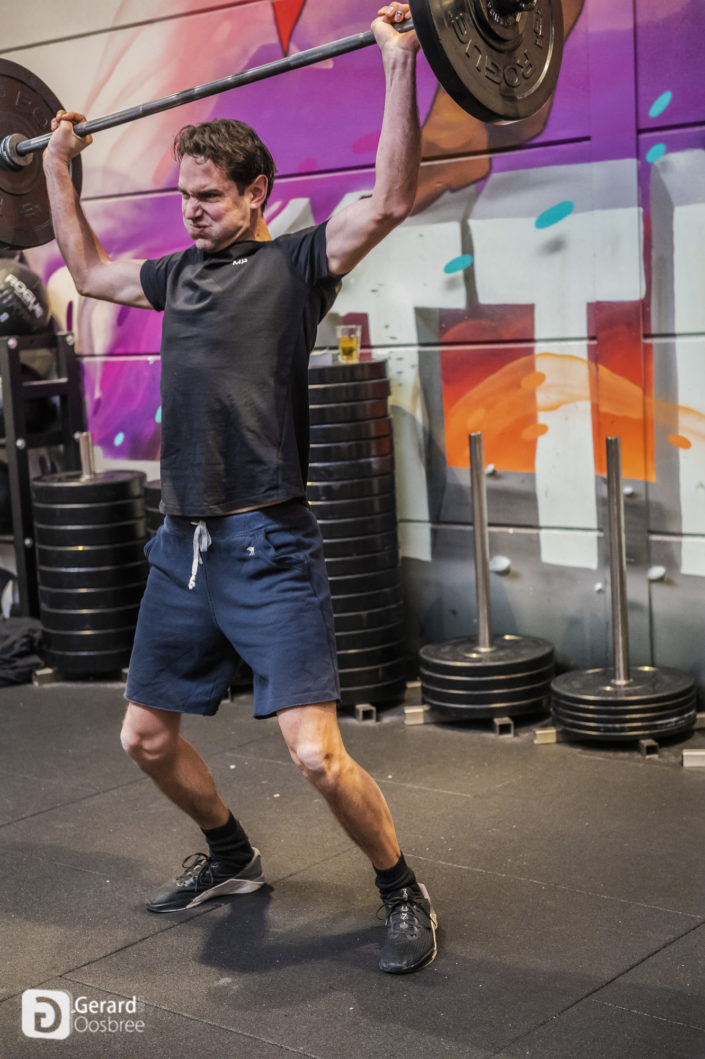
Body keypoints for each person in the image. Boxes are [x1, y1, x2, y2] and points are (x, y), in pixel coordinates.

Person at [42, 2, 436, 975]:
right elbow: (87, 272)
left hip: (268, 547)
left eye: (209, 195)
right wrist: (55, 166)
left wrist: (398, 62)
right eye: (184, 195)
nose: (192, 210)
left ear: (258, 191)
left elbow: (389, 200)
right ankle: (230, 854)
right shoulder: (175, 276)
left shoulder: (297, 265)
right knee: (144, 738)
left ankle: (399, 884)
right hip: (181, 547)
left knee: (316, 755)